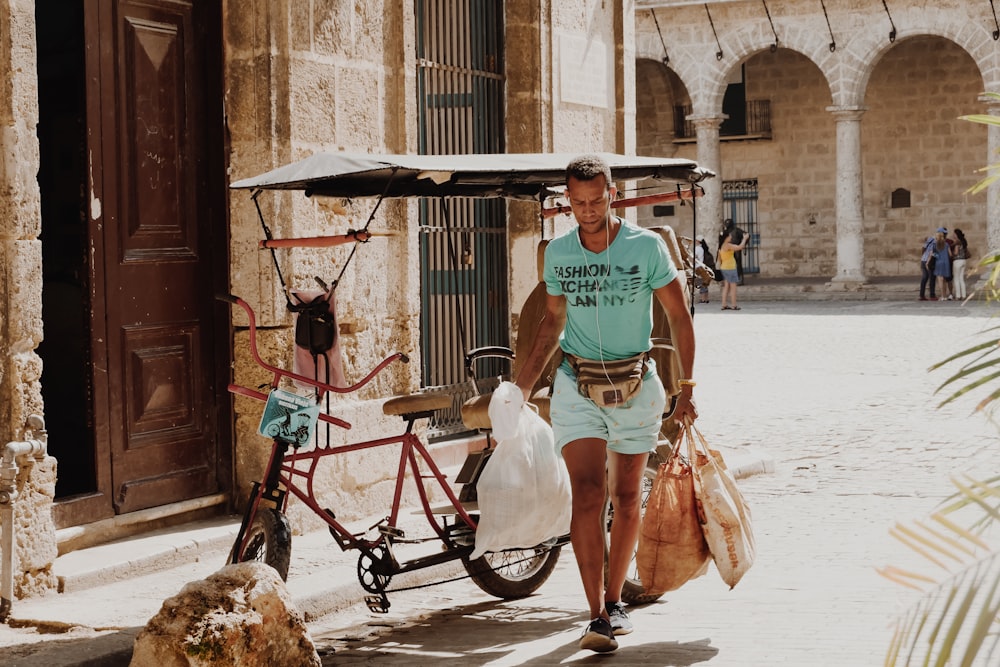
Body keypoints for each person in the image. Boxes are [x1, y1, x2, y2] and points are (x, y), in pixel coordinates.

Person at [513, 154, 697, 653]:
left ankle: (615, 601)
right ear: (567, 200)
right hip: (577, 383)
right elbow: (552, 323)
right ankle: (595, 614)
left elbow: (679, 316)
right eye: (578, 202)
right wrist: (521, 387)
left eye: (596, 201)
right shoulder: (559, 254)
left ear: (612, 195)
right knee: (589, 494)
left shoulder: (647, 247)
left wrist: (689, 389)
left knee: (629, 496)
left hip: (637, 384)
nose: (588, 211)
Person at [718, 227, 749, 310]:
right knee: (733, 287)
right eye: (729, 236)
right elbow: (740, 247)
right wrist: (744, 238)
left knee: (726, 287)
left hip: (724, 267)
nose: (731, 237)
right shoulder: (728, 245)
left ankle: (724, 304)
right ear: (726, 238)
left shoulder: (721, 246)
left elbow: (719, 259)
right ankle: (734, 304)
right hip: (730, 267)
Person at [930, 228, 953, 301]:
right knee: (945, 280)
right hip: (946, 263)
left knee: (940, 279)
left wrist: (936, 255)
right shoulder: (946, 244)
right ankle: (945, 296)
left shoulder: (935, 244)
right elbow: (950, 254)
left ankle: (942, 296)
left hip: (938, 262)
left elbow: (934, 254)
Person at [723, 218, 746, 284]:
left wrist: (743, 244)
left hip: (736, 249)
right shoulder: (725, 232)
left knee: (738, 264)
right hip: (728, 250)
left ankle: (739, 279)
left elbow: (746, 235)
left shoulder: (737, 230)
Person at [951, 228, 971, 299]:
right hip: (963, 261)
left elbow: (956, 253)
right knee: (961, 279)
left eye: (954, 233)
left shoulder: (957, 242)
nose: (953, 235)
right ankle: (964, 295)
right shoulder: (963, 242)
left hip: (957, 261)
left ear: (956, 234)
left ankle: (958, 295)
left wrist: (951, 253)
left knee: (956, 279)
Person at [694, 234, 712, 303]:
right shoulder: (703, 249)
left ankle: (702, 298)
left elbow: (694, 257)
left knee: (700, 283)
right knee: (705, 282)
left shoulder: (697, 248)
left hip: (698, 267)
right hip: (703, 266)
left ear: (698, 241)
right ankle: (706, 298)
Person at [919, 234, 937, 301]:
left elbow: (923, 248)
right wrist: (938, 256)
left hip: (923, 260)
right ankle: (932, 295)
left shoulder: (930, 239)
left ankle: (921, 295)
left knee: (924, 278)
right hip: (929, 262)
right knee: (932, 278)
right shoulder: (936, 242)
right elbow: (933, 253)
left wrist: (924, 256)